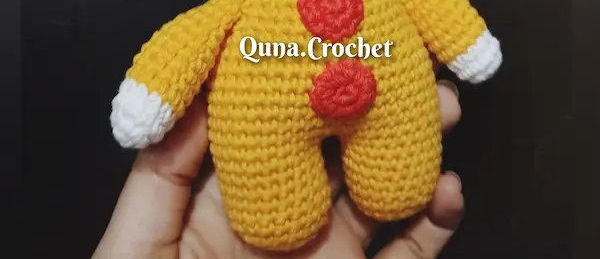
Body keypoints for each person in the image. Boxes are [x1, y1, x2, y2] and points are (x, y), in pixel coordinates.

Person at [93, 79, 463, 259]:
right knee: (277, 212)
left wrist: (466, 41)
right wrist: (152, 92)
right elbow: (186, 42)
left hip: (375, 91)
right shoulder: (238, 5)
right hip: (268, 125)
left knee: (399, 179)